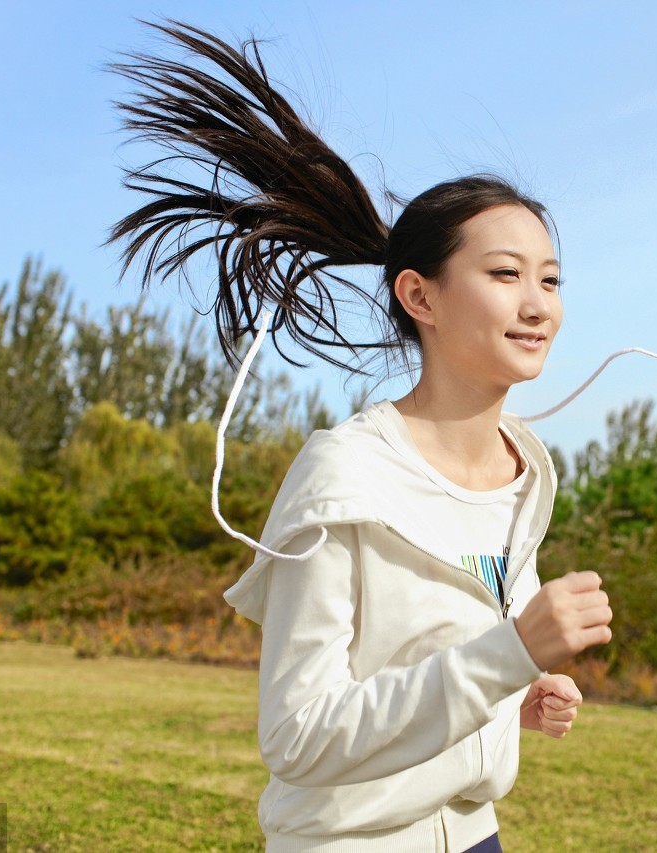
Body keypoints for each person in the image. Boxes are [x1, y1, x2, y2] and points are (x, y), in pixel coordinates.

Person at [108, 21, 613, 852]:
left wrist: (515, 688)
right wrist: (509, 650)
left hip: (479, 835)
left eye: (551, 279)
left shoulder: (523, 473)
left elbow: (436, 662)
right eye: (504, 274)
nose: (539, 304)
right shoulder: (342, 474)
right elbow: (299, 735)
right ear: (420, 295)